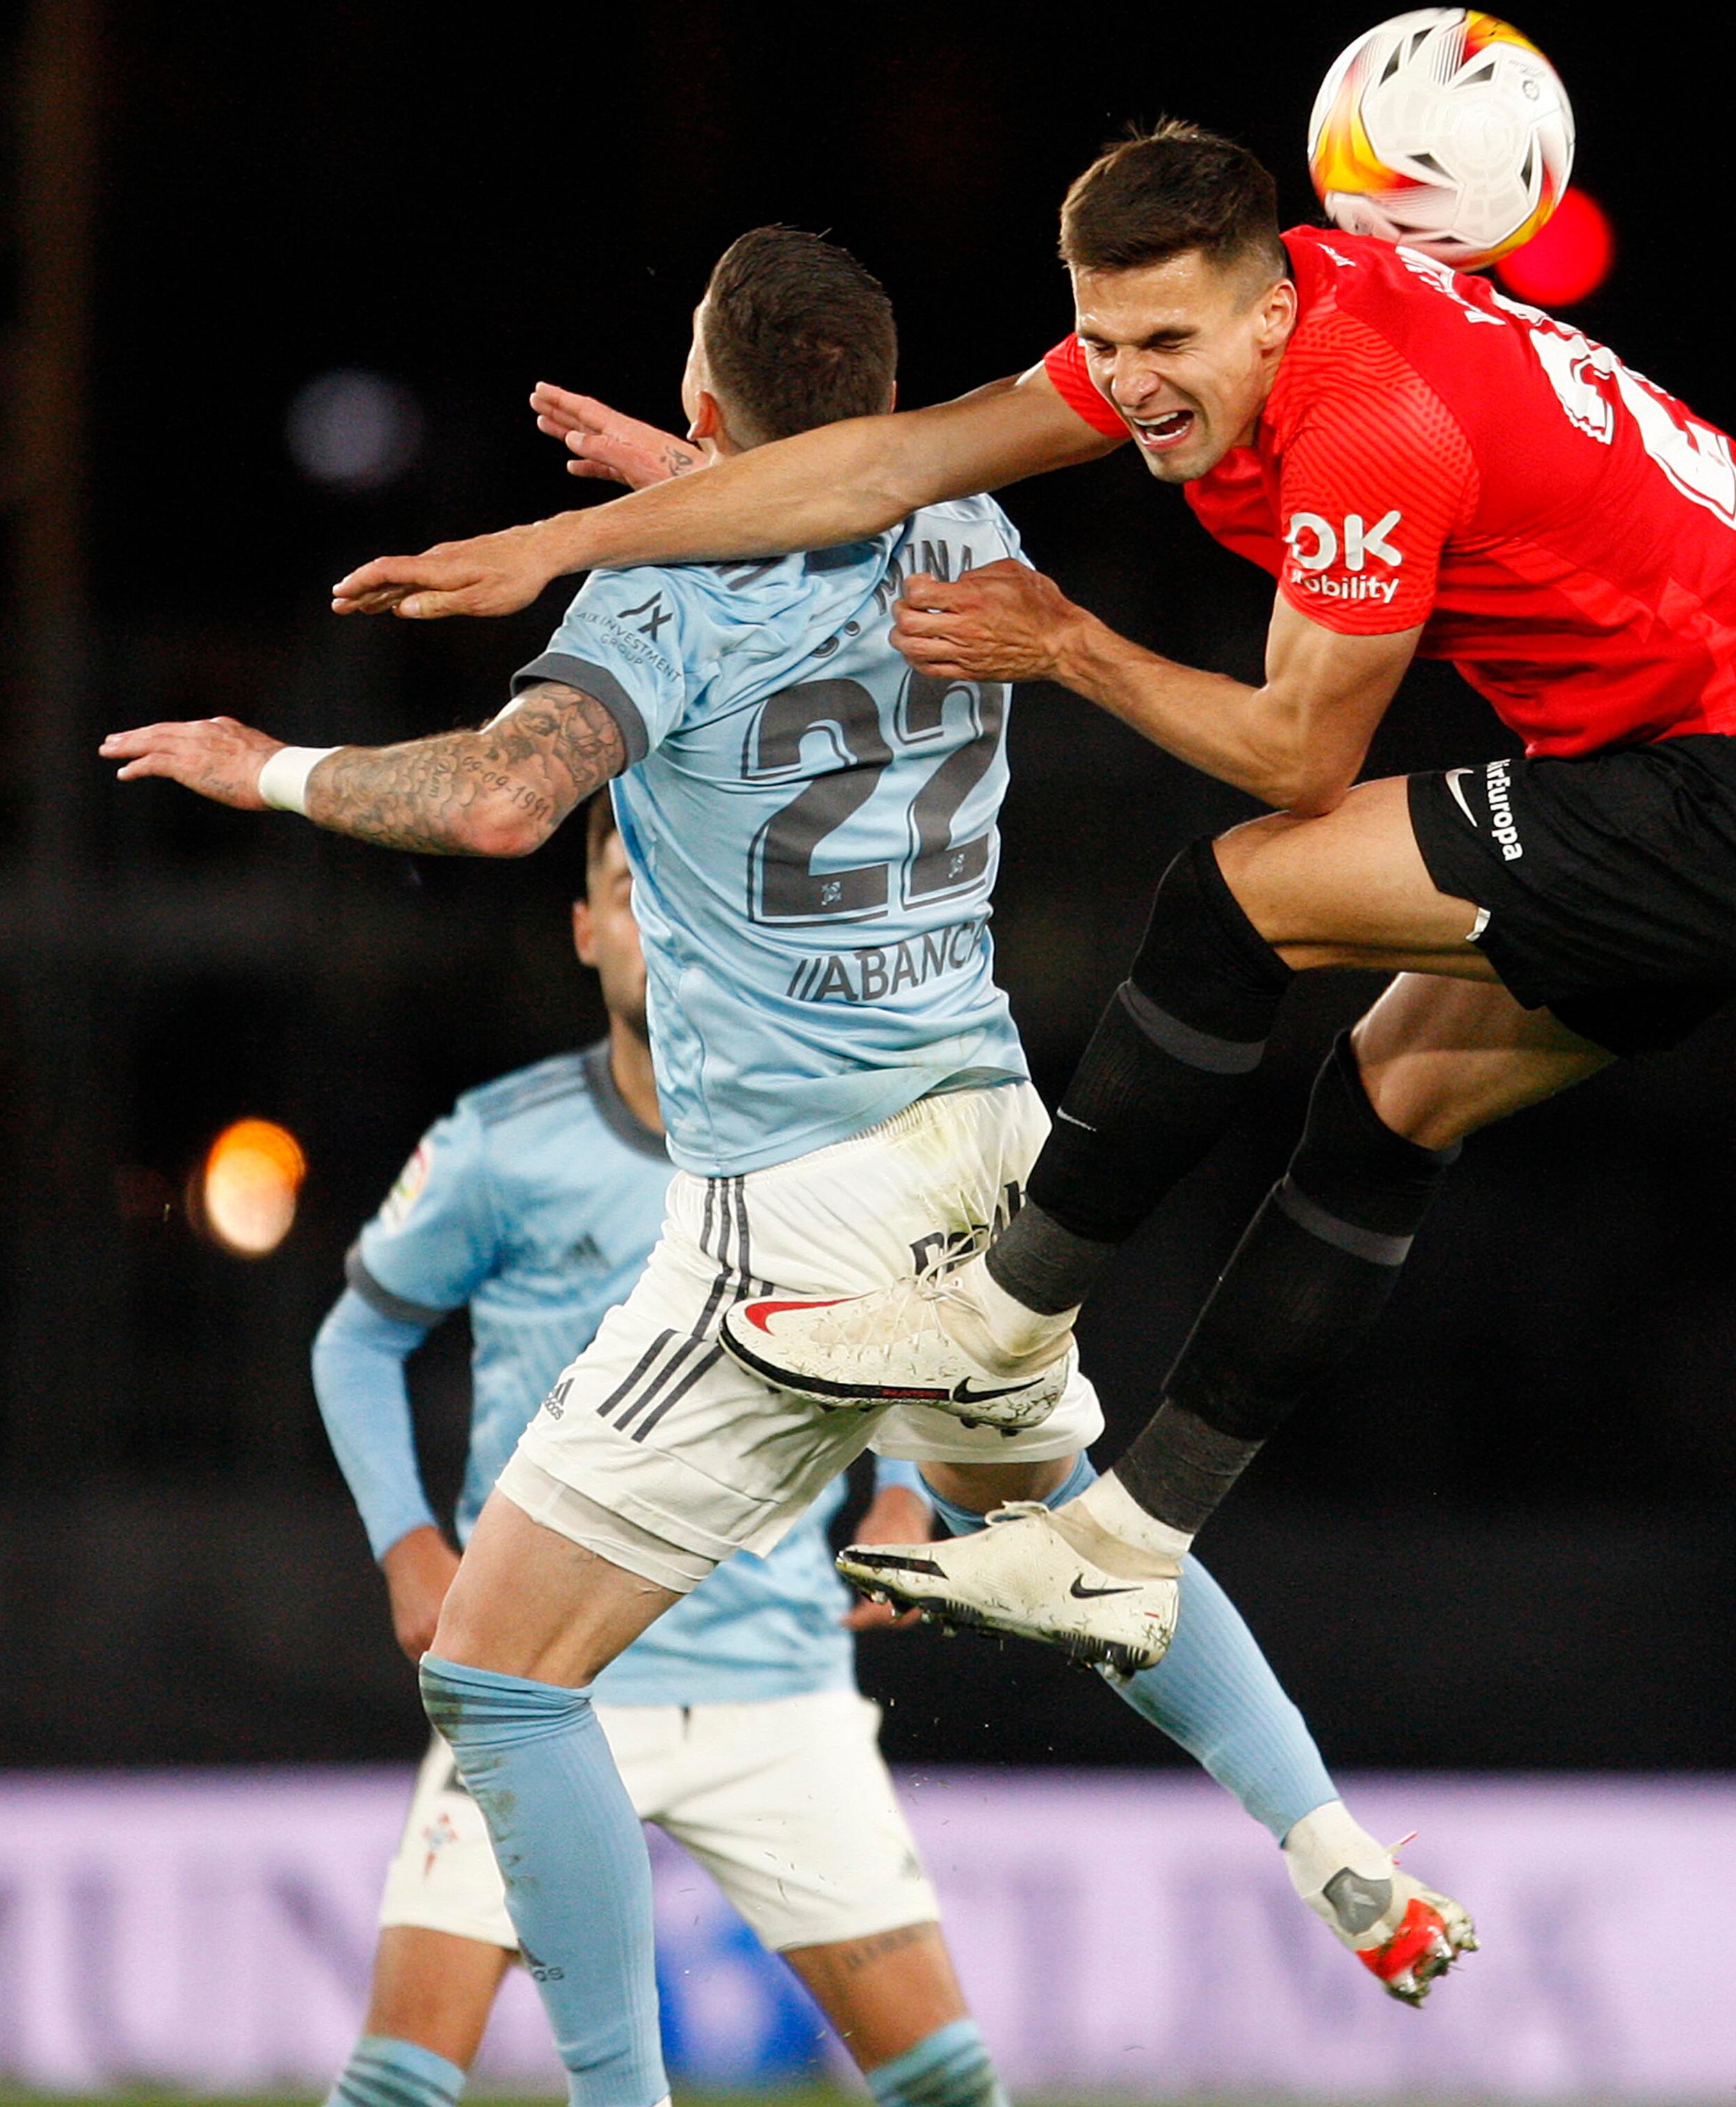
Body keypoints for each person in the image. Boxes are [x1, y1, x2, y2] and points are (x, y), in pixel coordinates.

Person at [104, 222, 1475, 2107]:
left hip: (800, 1210)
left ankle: (617, 2100)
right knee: (1087, 1540)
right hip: (999, 1163)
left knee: (499, 1679)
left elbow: (502, 797)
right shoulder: (970, 542)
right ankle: (1339, 1856)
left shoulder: (652, 614)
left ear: (702, 398)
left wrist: (270, 765)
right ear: (891, 416)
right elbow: (830, 524)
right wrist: (694, 480)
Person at [328, 123, 1736, 1679]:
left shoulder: (1367, 426)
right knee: (1388, 1093)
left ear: (1273, 311)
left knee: (1232, 900)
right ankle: (1124, 1550)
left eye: (1167, 340)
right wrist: (552, 544)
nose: (1132, 381)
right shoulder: (1218, 335)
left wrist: (1066, 642)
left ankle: (993, 1316)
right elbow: (882, 463)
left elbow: (1295, 754)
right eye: (1101, 339)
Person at [310, 792, 1006, 2107]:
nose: (653, 913)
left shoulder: (822, 1139)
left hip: (774, 1683)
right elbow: (354, 1340)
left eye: (676, 884)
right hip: (538, 1680)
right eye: (627, 886)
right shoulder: (501, 1144)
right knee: (397, 2087)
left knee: (952, 2087)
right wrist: (408, 1544)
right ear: (586, 930)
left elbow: (917, 1321)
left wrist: (907, 1496)